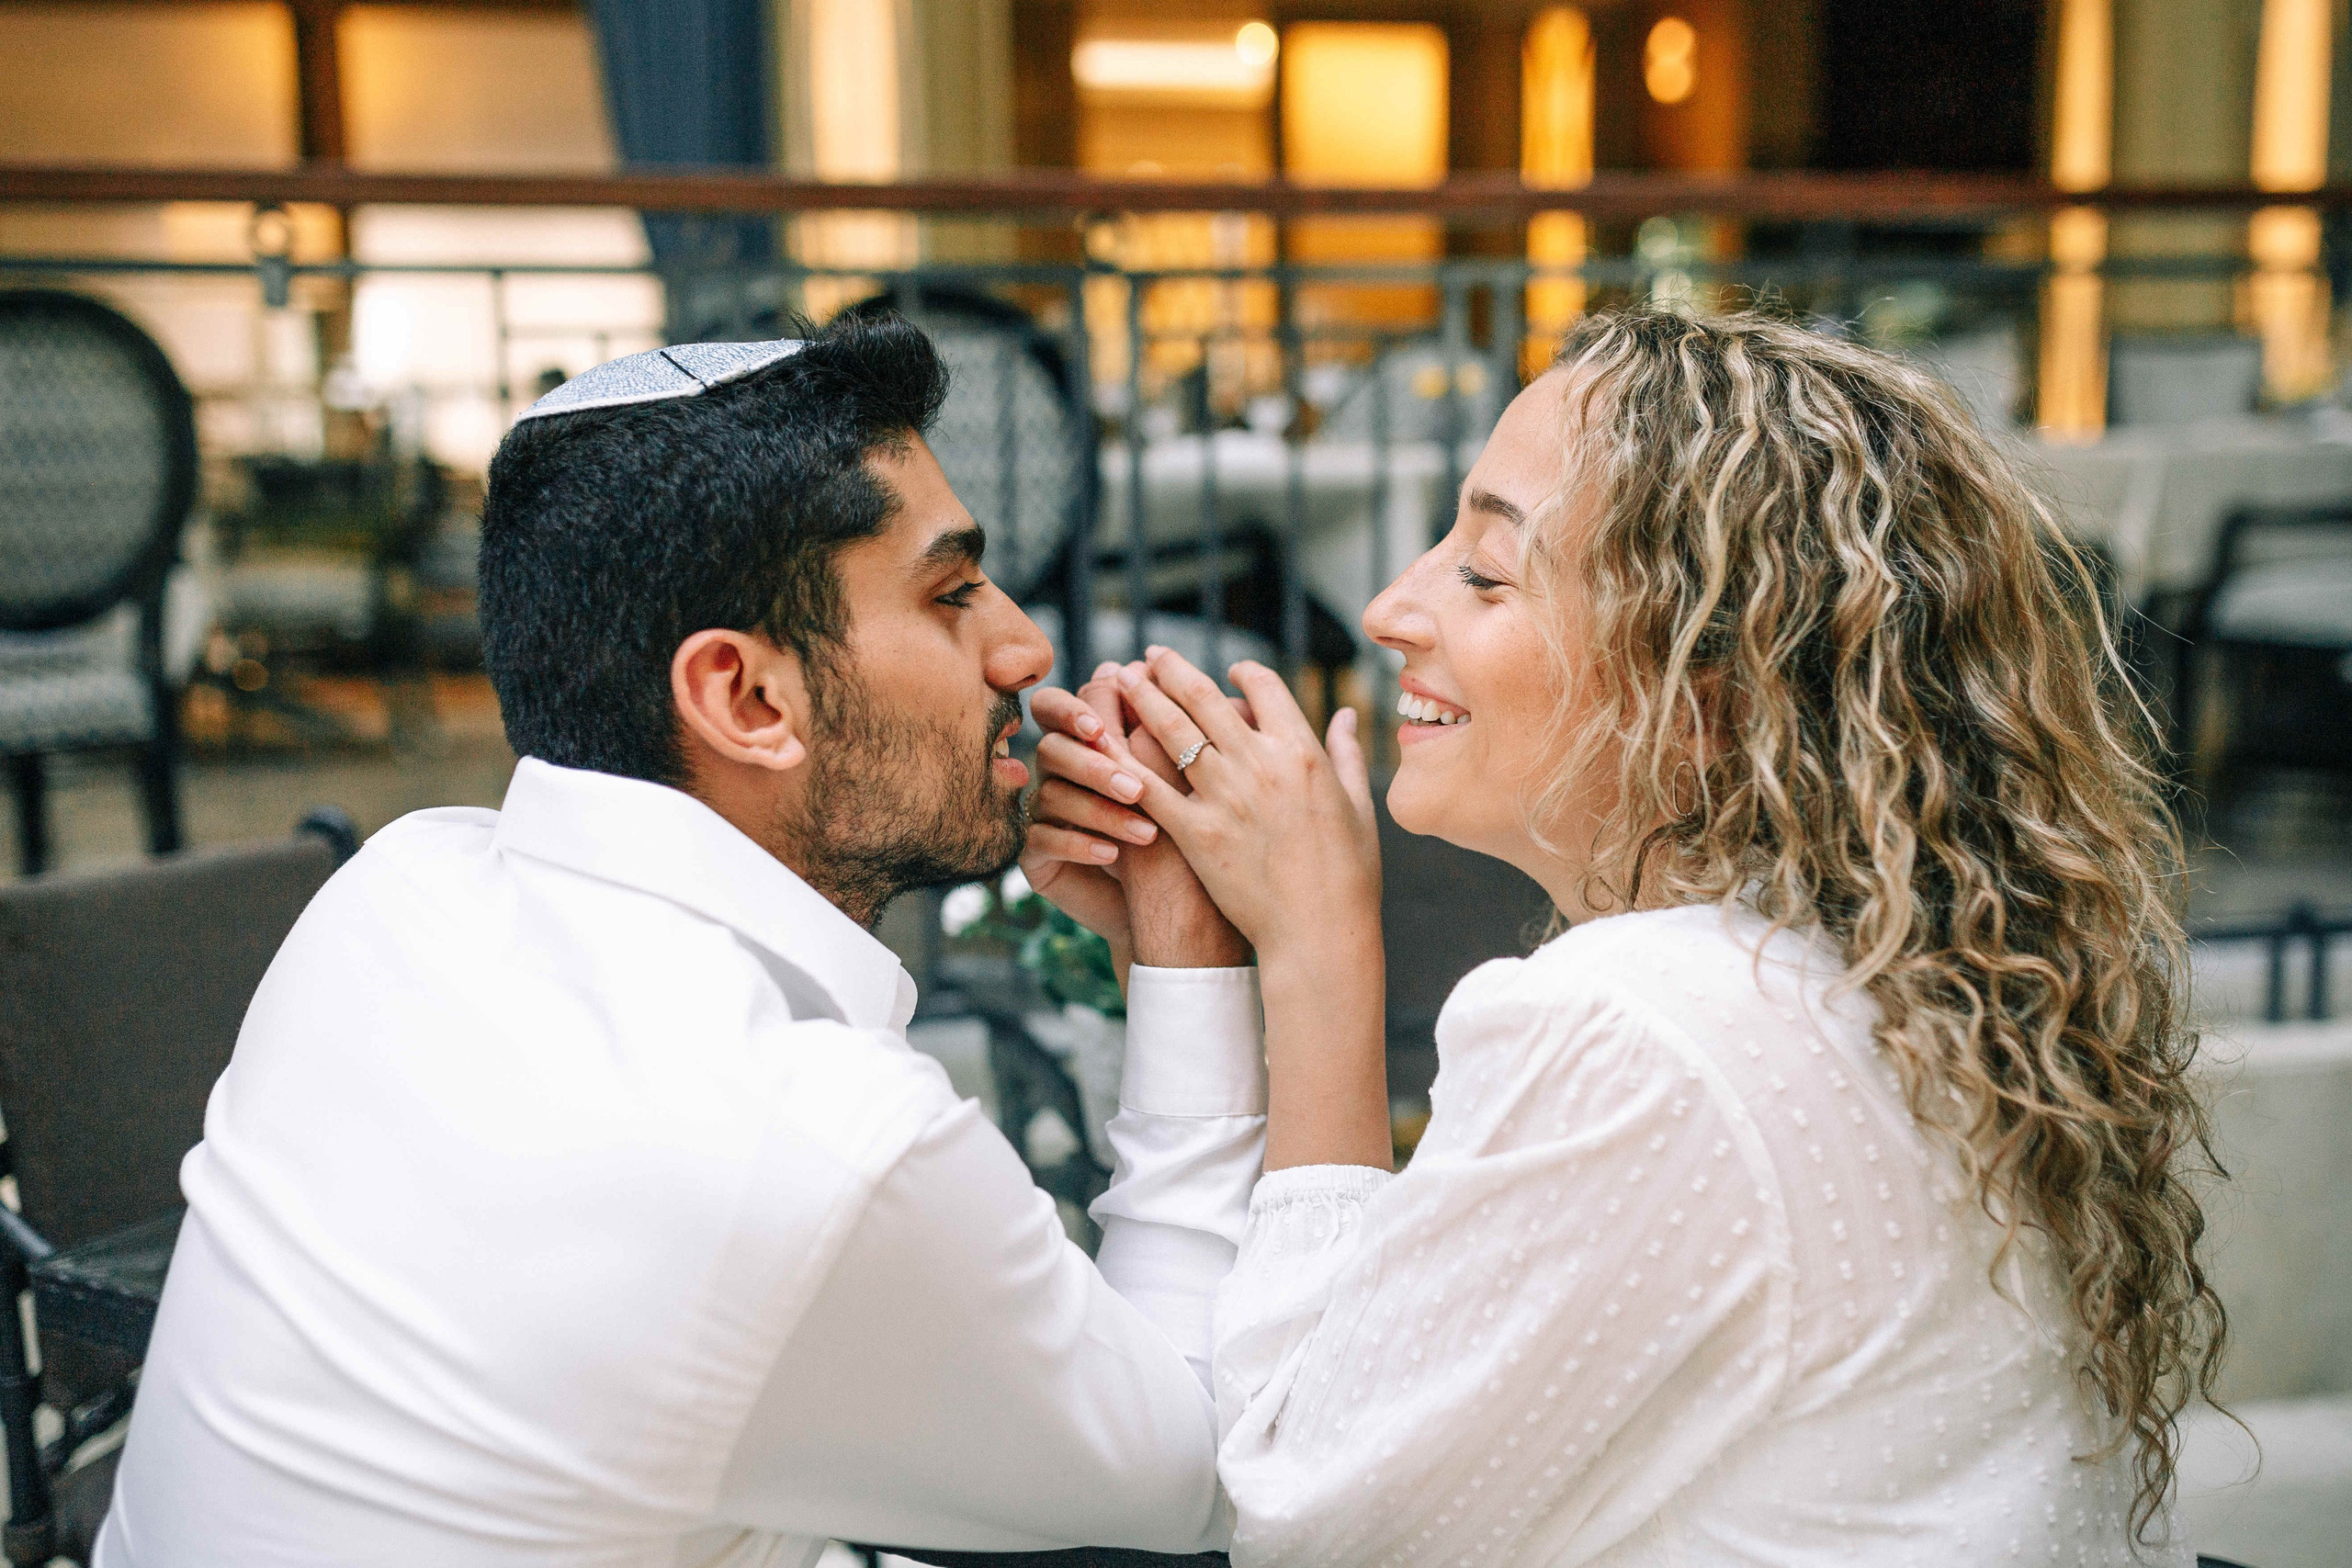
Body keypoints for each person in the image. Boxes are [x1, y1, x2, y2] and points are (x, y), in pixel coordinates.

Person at [1027, 309, 2228, 1565]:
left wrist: (1321, 955)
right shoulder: (1893, 975)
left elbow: (1308, 1515)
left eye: (1486, 572)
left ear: (1708, 694)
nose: (1389, 608)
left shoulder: (1646, 1025)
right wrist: (1206, 962)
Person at [99, 317, 1264, 1567]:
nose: (1025, 647)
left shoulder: (395, 887)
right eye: (951, 592)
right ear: (748, 698)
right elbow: (1204, 1468)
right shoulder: (812, 1146)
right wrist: (1197, 956)